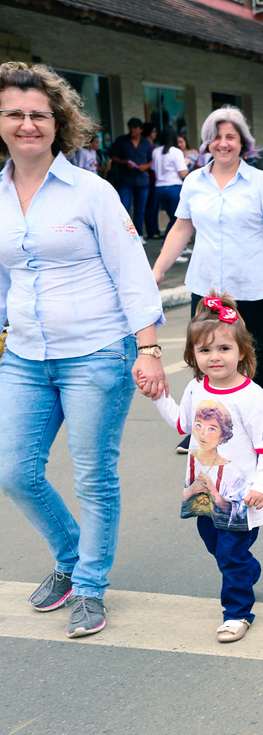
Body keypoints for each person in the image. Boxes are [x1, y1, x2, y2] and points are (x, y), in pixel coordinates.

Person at [0, 61, 166, 639]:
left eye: (38, 115)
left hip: (97, 352)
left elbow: (132, 272)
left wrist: (148, 348)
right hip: (24, 356)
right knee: (14, 472)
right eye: (14, 114)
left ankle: (91, 585)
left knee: (93, 477)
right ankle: (71, 557)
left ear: (58, 122)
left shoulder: (92, 191)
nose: (27, 124)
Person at [144, 294, 263, 644]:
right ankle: (247, 570)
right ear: (193, 355)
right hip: (202, 490)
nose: (215, 357)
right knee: (215, 545)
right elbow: (182, 424)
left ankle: (237, 613)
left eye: (224, 348)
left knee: (229, 554)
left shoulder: (253, 397)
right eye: (205, 350)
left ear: (242, 352)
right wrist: (158, 397)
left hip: (239, 498)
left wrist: (261, 488)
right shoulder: (195, 388)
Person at [151, 105, 263, 426]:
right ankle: (207, 426)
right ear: (207, 142)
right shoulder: (194, 181)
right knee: (206, 354)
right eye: (216, 137)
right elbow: (181, 228)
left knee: (253, 352)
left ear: (243, 142)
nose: (223, 143)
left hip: (250, 284)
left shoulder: (261, 182)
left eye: (231, 136)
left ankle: (261, 424)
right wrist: (158, 270)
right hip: (205, 285)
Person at [109, 116, 153, 239]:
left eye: (135, 128)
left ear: (141, 129)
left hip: (142, 180)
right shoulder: (121, 141)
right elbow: (113, 156)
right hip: (126, 180)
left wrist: (145, 166)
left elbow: (152, 160)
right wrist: (124, 162)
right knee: (124, 208)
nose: (132, 130)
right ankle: (125, 235)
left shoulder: (146, 143)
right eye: (130, 127)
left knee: (140, 209)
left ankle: (138, 234)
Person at [152, 127, 189, 239]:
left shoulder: (156, 151)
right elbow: (183, 173)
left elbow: (153, 169)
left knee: (173, 217)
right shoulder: (176, 151)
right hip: (174, 187)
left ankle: (179, 245)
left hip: (159, 188)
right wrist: (186, 163)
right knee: (177, 219)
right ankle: (168, 244)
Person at [143, 122, 161, 238]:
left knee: (155, 206)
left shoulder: (153, 145)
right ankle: (151, 231)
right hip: (149, 178)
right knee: (151, 206)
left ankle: (156, 229)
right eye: (154, 131)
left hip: (156, 178)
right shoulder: (145, 145)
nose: (156, 133)